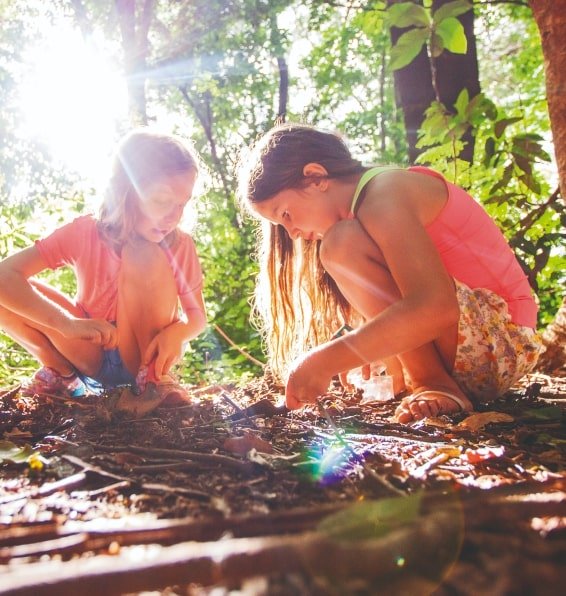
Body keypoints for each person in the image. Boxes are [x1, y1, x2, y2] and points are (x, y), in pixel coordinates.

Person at [237, 122, 542, 423]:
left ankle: (432, 382)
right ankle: (430, 381)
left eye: (286, 215)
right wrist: (369, 346)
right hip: (481, 346)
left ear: (316, 177)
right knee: (342, 244)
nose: (292, 233)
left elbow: (435, 308)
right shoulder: (369, 208)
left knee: (340, 245)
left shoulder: (385, 194)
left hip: (500, 340)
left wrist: (323, 361)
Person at [0, 128, 207, 406]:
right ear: (125, 190)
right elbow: (5, 276)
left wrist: (176, 333)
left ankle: (152, 386)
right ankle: (63, 377)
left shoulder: (179, 245)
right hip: (90, 352)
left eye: (183, 203)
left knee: (144, 253)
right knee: (8, 293)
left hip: (144, 356)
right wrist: (66, 324)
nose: (174, 216)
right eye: (161, 200)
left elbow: (196, 317)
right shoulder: (85, 232)